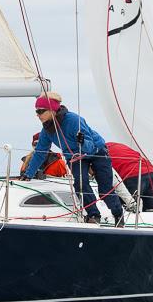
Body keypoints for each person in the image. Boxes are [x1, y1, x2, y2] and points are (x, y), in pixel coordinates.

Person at [21, 92, 123, 225]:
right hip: (75, 157)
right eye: (36, 112)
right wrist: (28, 173)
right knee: (80, 184)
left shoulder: (73, 120)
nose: (38, 115)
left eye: (41, 111)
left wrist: (81, 142)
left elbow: (90, 146)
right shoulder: (47, 129)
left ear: (52, 110)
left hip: (96, 151)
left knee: (104, 189)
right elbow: (40, 152)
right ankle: (93, 215)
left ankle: (118, 215)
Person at [106, 142, 153, 211]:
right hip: (152, 173)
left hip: (133, 176)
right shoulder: (115, 145)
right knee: (150, 210)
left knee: (129, 210)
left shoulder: (100, 152)